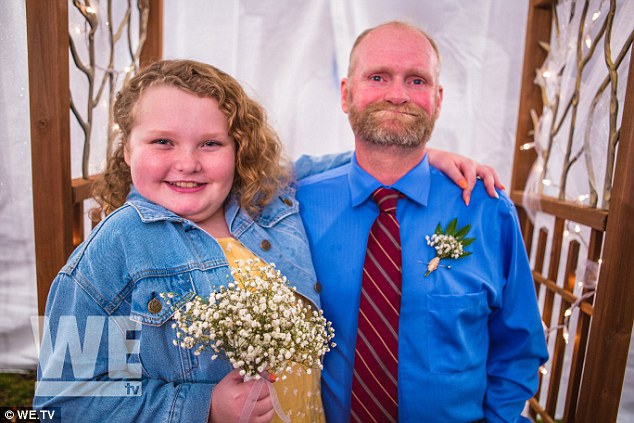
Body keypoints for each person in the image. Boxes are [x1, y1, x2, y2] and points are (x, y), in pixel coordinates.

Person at [33, 59, 501, 422]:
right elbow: (65, 402)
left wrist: (420, 155)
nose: (188, 163)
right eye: (162, 143)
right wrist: (204, 408)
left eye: (211, 144)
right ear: (126, 148)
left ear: (240, 150)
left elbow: (341, 164)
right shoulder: (115, 252)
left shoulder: (265, 202)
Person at [296, 21, 549, 422]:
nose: (397, 94)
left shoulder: (487, 208)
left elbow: (518, 346)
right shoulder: (297, 206)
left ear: (438, 98)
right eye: (378, 77)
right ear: (346, 94)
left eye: (416, 80)